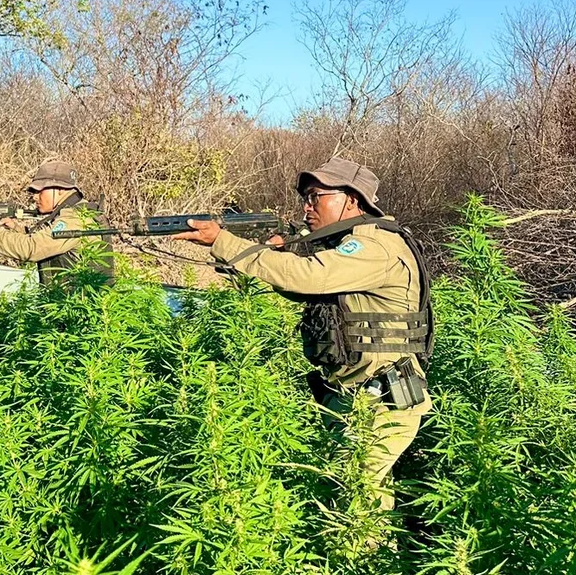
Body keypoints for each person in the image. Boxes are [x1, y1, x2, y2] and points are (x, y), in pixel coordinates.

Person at [173, 157, 434, 512]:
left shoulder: (376, 246)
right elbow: (305, 287)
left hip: (382, 399)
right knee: (366, 498)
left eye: (316, 196)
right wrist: (268, 258)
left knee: (352, 503)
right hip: (357, 396)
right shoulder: (350, 244)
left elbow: (307, 276)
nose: (307, 207)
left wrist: (225, 242)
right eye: (306, 198)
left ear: (352, 200)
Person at [0, 161, 111, 285]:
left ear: (59, 189)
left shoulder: (75, 219)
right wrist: (16, 230)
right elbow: (47, 242)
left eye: (40, 191)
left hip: (78, 309)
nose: (35, 197)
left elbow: (32, 249)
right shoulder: (75, 212)